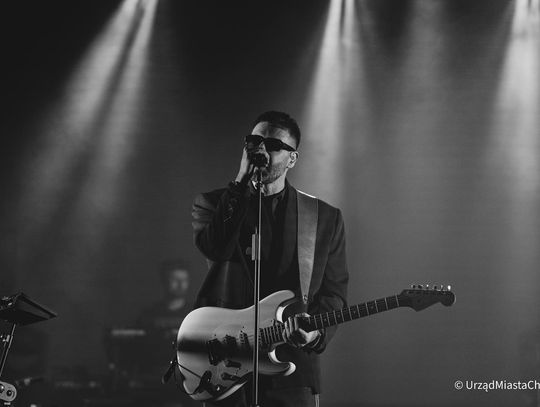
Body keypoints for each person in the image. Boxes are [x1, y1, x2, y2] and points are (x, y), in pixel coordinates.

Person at [192, 111, 348, 407]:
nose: (261, 151)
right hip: (226, 366)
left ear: (292, 159)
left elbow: (334, 293)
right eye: (254, 142)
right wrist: (240, 181)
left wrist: (315, 333)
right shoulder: (213, 204)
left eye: (274, 146)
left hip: (291, 370)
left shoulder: (324, 218)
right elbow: (215, 249)